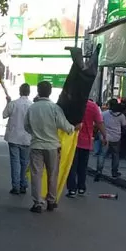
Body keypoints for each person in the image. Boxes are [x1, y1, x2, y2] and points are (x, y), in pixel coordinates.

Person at [25, 81, 76, 213]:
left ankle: (37, 203)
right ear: (50, 92)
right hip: (53, 146)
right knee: (52, 174)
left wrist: (36, 133)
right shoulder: (55, 108)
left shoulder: (32, 108)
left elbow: (26, 126)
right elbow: (64, 126)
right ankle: (51, 201)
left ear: (38, 90)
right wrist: (74, 128)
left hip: (36, 145)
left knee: (36, 174)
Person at [67, 98, 107, 197]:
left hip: (73, 141)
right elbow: (99, 122)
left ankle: (72, 189)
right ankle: (81, 188)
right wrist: (104, 136)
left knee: (72, 166)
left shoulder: (73, 104)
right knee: (83, 166)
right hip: (86, 141)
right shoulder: (93, 106)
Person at [2, 83, 33, 195]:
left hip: (14, 137)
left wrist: (8, 102)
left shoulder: (13, 104)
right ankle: (23, 184)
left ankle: (15, 186)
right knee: (25, 162)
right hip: (27, 138)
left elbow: (4, 115)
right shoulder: (32, 105)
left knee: (15, 162)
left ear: (20, 91)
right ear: (29, 92)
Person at [95, 99, 126, 181]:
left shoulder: (104, 114)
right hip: (116, 138)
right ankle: (114, 172)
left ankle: (99, 171)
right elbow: (125, 125)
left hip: (105, 137)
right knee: (115, 155)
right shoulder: (121, 116)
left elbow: (99, 122)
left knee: (102, 154)